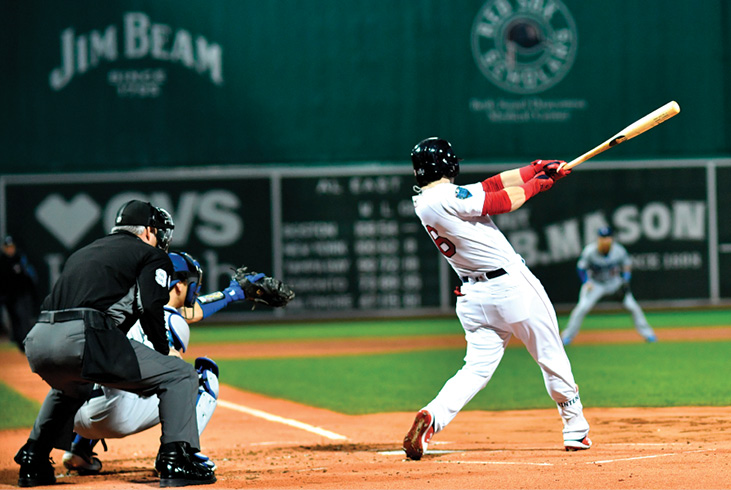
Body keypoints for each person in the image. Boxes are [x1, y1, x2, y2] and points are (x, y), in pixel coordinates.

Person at [402, 137, 591, 460]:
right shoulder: (445, 196)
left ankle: (433, 416)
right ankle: (575, 429)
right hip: (511, 287)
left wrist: (534, 170)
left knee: (474, 370)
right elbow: (499, 202)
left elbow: (489, 185)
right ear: (447, 164)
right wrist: (539, 184)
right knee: (550, 356)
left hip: (474, 298)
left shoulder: (428, 200)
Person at [14, 200, 216, 488]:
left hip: (38, 339)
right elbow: (151, 306)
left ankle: (33, 458)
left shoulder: (85, 251)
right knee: (180, 375)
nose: (160, 238)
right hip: (85, 335)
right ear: (148, 231)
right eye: (158, 232)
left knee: (71, 387)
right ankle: (176, 458)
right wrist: (162, 352)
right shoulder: (150, 254)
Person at [62, 250, 259, 474]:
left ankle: (79, 447)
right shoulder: (170, 320)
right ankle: (178, 453)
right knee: (195, 377)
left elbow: (182, 311)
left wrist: (232, 294)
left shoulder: (118, 306)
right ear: (178, 286)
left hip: (75, 413)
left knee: (108, 370)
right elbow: (170, 361)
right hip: (115, 415)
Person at [561, 226, 656, 345]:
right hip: (595, 284)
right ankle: (567, 337)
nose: (605, 240)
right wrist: (586, 282)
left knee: (633, 307)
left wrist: (625, 281)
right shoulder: (590, 251)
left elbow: (626, 265)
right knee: (582, 308)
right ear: (598, 239)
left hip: (614, 283)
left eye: (608, 237)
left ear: (612, 239)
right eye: (603, 237)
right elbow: (581, 268)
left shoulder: (618, 250)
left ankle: (649, 335)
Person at [0, 235, 40, 351]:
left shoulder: (21, 259)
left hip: (22, 295)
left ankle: (26, 342)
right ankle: (18, 341)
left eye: (11, 247)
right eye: (7, 247)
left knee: (23, 318)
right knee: (14, 319)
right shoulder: (2, 261)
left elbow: (31, 277)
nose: (9, 249)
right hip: (9, 297)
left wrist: (32, 293)